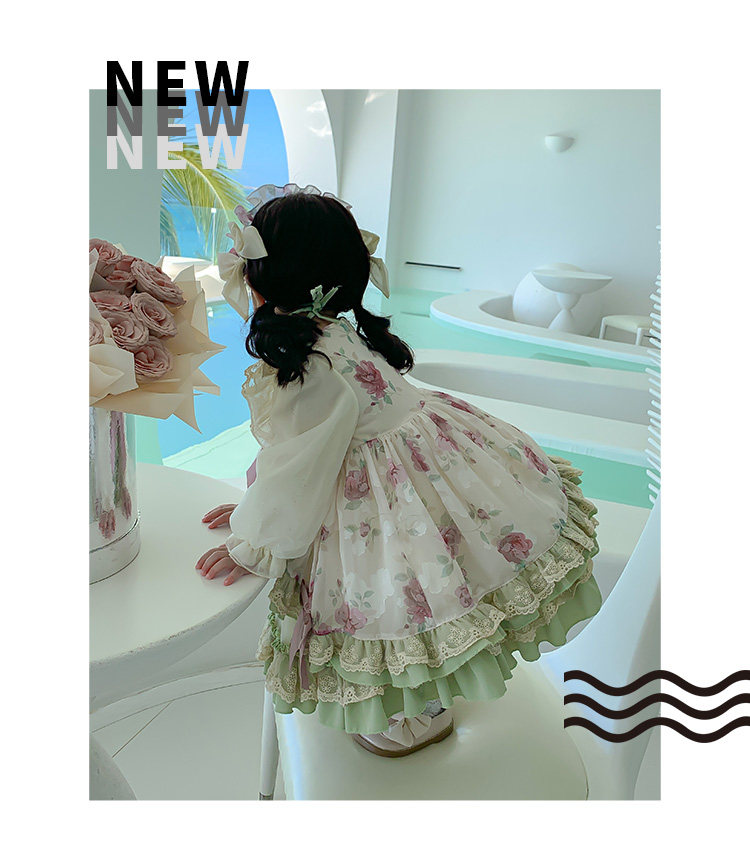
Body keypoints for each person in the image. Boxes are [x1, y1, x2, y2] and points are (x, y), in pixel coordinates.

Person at [196, 184, 602, 757]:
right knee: (435, 587)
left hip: (387, 490)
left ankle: (416, 717)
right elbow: (296, 456)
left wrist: (252, 544)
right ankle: (424, 704)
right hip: (425, 465)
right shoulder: (338, 332)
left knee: (394, 599)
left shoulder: (309, 365)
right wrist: (250, 508)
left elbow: (297, 472)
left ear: (259, 277)